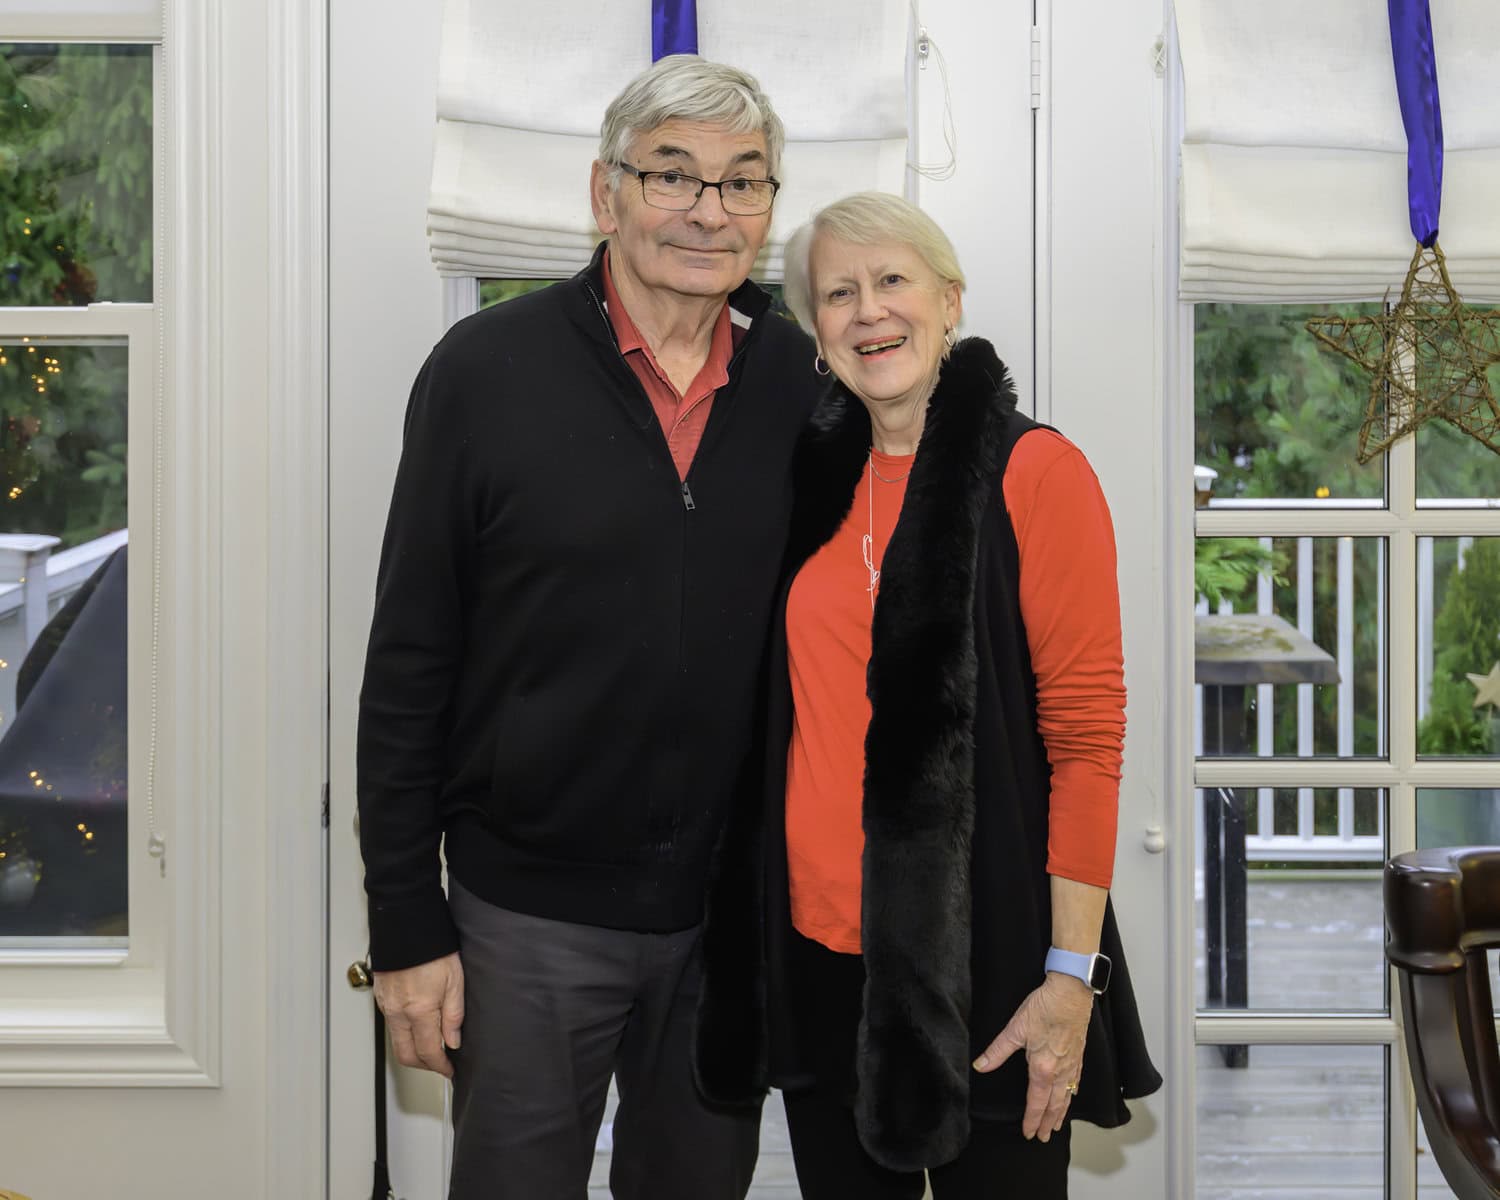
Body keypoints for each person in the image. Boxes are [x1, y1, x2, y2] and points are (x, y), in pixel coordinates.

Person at [355, 55, 821, 1200]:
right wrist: (408, 924)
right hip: (525, 920)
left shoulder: (804, 384)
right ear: (604, 192)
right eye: (674, 174)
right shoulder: (483, 371)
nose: (709, 211)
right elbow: (409, 663)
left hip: (728, 921)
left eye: (744, 182)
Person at [695, 192, 1161, 1198]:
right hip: (822, 953)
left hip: (988, 960)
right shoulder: (807, 479)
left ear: (949, 300)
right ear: (815, 329)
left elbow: (1085, 743)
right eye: (838, 292)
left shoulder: (1038, 473)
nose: (869, 311)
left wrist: (1068, 979)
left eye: (893, 280)